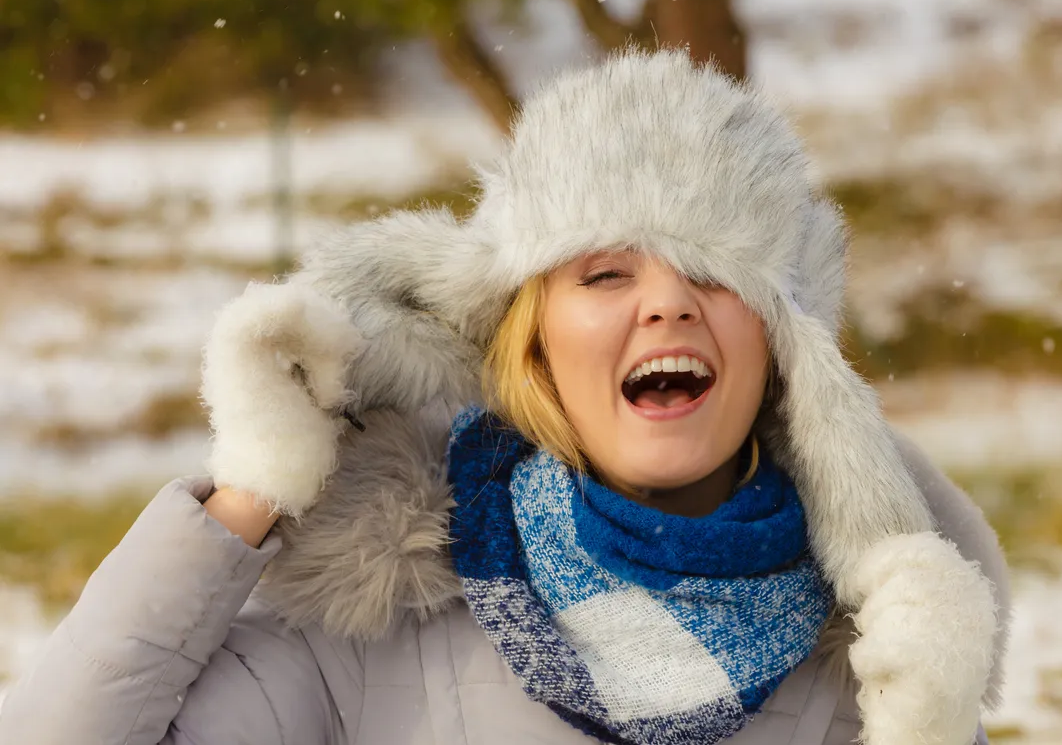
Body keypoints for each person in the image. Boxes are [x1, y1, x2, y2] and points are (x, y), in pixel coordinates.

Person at [0, 50, 1010, 745]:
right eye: (604, 275)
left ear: (789, 347)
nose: (666, 307)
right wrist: (250, 490)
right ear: (528, 339)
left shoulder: (869, 662)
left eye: (716, 274)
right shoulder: (375, 603)